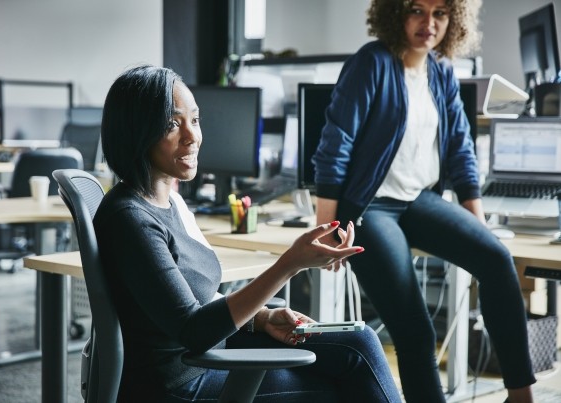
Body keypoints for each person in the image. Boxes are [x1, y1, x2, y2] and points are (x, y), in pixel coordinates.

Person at [94, 64, 402, 402]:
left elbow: (192, 298)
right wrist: (289, 264)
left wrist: (261, 319)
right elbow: (193, 329)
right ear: (136, 131)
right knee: (341, 386)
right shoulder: (131, 219)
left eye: (194, 120)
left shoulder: (170, 204)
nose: (192, 136)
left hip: (210, 353)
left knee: (360, 341)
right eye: (171, 123)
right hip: (182, 383)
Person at [312, 1, 536, 402]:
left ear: (454, 21)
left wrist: (476, 223)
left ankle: (520, 395)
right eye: (417, 9)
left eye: (440, 13)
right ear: (395, 13)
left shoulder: (441, 72)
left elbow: (460, 150)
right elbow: (336, 144)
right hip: (370, 207)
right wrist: (326, 232)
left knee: (497, 259)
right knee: (417, 331)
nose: (428, 24)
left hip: (417, 200)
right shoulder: (372, 64)